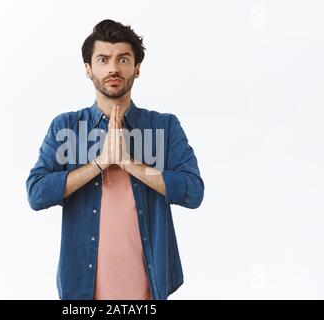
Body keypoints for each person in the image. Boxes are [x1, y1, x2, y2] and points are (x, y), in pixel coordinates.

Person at [26, 19, 204, 300]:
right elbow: (36, 193)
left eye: (123, 59)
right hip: (83, 292)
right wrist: (100, 162)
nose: (113, 68)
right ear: (88, 69)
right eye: (103, 59)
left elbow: (193, 192)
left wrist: (129, 163)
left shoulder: (164, 127)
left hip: (149, 291)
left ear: (136, 68)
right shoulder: (67, 128)